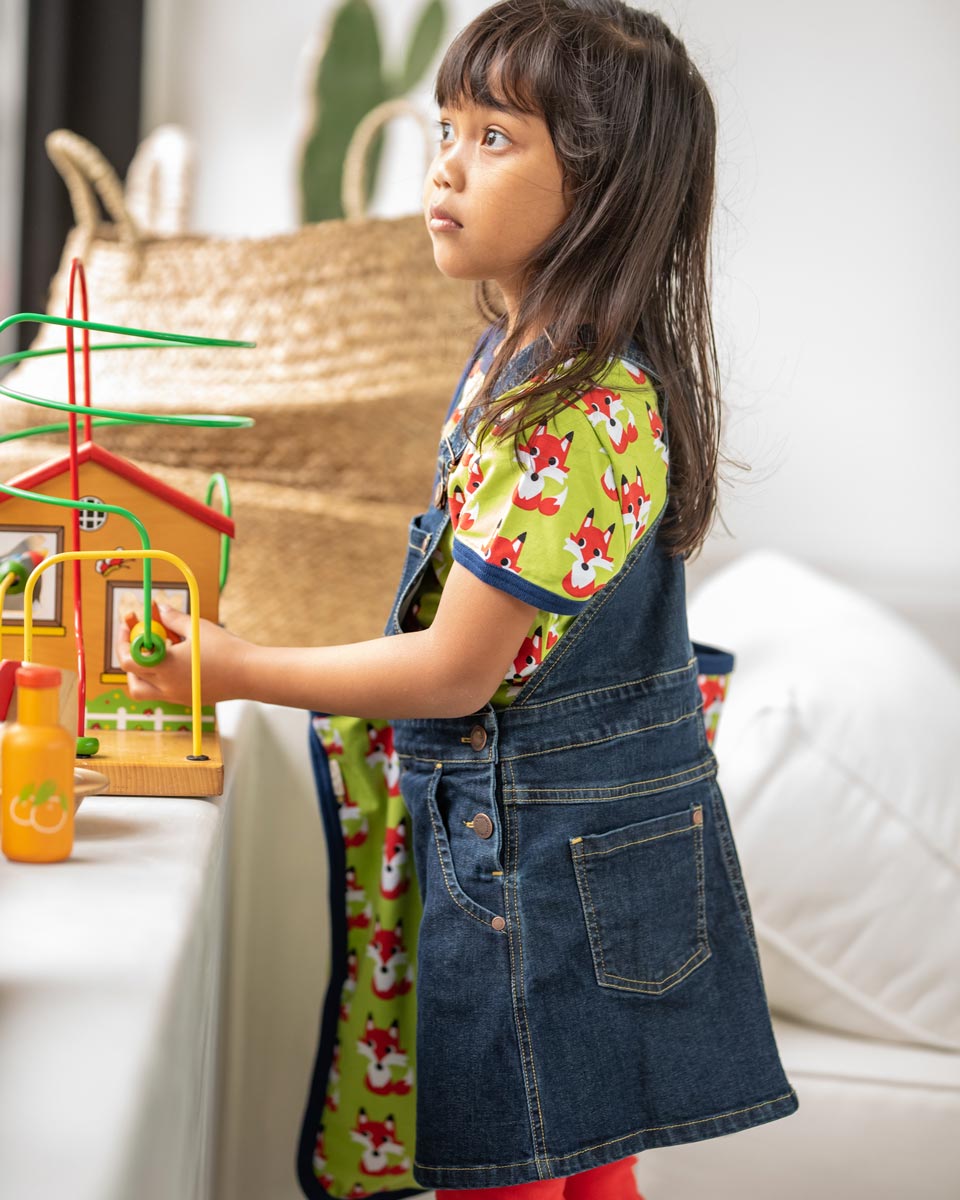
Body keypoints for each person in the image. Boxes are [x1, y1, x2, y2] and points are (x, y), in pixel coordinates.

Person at [120, 1, 799, 1195]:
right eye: (448, 125)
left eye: (495, 137)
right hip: (562, 860)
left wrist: (234, 666)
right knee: (581, 1170)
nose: (444, 162)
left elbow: (452, 668)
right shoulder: (512, 360)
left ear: (601, 184)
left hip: (548, 876)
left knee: (531, 1170)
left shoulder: (582, 411)